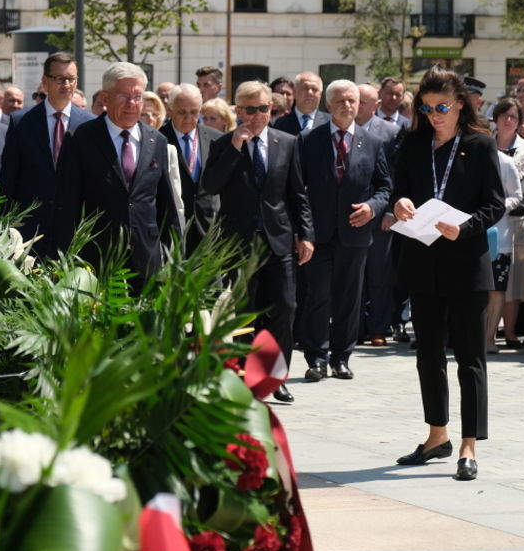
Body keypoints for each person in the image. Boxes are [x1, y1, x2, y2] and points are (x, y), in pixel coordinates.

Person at [386, 67, 505, 481]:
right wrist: (399, 204)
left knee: (470, 358)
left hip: (466, 262)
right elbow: (399, 189)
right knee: (428, 355)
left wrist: (466, 226)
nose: (434, 115)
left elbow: (495, 205)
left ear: (460, 105)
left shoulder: (480, 144)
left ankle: (469, 445)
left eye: (441, 107)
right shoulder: (414, 143)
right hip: (422, 259)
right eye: (426, 108)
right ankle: (437, 435)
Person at [202, 80, 314, 404]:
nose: (256, 116)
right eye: (249, 109)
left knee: (284, 308)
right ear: (238, 111)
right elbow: (210, 185)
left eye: (263, 109)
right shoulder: (224, 144)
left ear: (271, 110)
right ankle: (245, 378)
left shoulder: (288, 142)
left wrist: (306, 235)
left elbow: (298, 194)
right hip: (238, 243)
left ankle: (275, 377)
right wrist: (235, 149)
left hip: (278, 239)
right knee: (244, 313)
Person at [298, 80, 391, 381]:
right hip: (319, 234)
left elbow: (384, 186)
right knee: (317, 297)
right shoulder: (309, 140)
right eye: (340, 101)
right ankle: (316, 358)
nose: (346, 106)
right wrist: (304, 232)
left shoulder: (372, 142)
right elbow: (298, 189)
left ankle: (341, 357)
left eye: (352, 101)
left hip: (355, 232)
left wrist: (373, 208)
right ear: (328, 105)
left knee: (349, 299)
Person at [53, 62, 179, 280]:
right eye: (123, 96)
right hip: (97, 258)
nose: (132, 104)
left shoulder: (156, 140)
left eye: (137, 96)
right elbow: (66, 203)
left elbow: (166, 206)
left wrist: (172, 258)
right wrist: (65, 259)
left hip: (146, 260)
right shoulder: (82, 138)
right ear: (105, 97)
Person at [0, 53, 94, 248]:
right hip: (30, 229)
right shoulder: (21, 122)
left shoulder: (89, 125)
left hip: (74, 228)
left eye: (71, 79)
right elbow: (9, 179)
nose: (66, 84)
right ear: (45, 81)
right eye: (60, 78)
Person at [356, 83, 405, 346]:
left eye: (363, 101)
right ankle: (356, 328)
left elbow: (395, 176)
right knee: (353, 276)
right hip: (350, 215)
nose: (356, 105)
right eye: (355, 100)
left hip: (380, 217)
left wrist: (389, 212)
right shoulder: (341, 129)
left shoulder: (391, 132)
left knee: (379, 275)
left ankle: (378, 328)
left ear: (375, 106)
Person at [488, 98, 524, 349]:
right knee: (494, 282)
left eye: (514, 117)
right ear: (495, 118)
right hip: (493, 224)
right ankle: (489, 332)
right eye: (504, 115)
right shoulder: (485, 146)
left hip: (520, 220)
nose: (508, 120)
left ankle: (511, 332)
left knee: (515, 281)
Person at [160, 84, 222, 252]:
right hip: (174, 232)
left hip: (208, 229)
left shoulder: (217, 139)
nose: (188, 117)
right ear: (170, 110)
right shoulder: (158, 140)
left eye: (194, 112)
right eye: (182, 112)